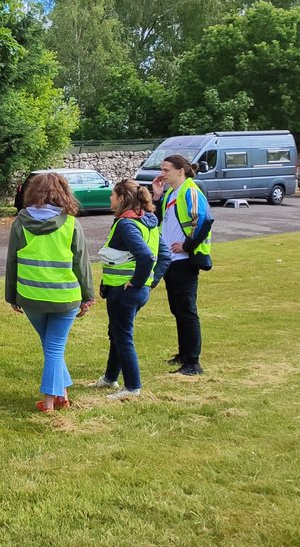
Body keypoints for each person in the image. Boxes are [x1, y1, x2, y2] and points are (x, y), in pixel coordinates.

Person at [4, 172, 95, 413]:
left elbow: (12, 261)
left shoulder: (20, 223)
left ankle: (60, 397)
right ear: (63, 193)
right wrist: (88, 296)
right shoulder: (71, 224)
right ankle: (51, 403)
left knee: (51, 345)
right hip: (65, 298)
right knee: (54, 347)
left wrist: (11, 296)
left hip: (31, 296)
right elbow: (82, 264)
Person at [92, 180, 171, 400]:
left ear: (121, 198)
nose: (110, 198)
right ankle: (109, 377)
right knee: (117, 333)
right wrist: (150, 281)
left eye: (112, 194)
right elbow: (164, 255)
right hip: (136, 292)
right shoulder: (148, 222)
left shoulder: (126, 224)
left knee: (123, 337)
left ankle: (133, 387)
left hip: (124, 291)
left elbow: (147, 256)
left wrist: (137, 281)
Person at [151, 155, 214, 376]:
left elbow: (205, 220)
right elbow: (157, 220)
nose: (162, 174)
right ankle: (183, 354)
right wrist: (157, 196)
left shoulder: (190, 191)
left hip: (185, 261)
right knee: (177, 309)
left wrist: (187, 245)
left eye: (166, 170)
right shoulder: (170, 192)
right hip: (170, 261)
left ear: (181, 171)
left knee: (187, 310)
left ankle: (193, 363)